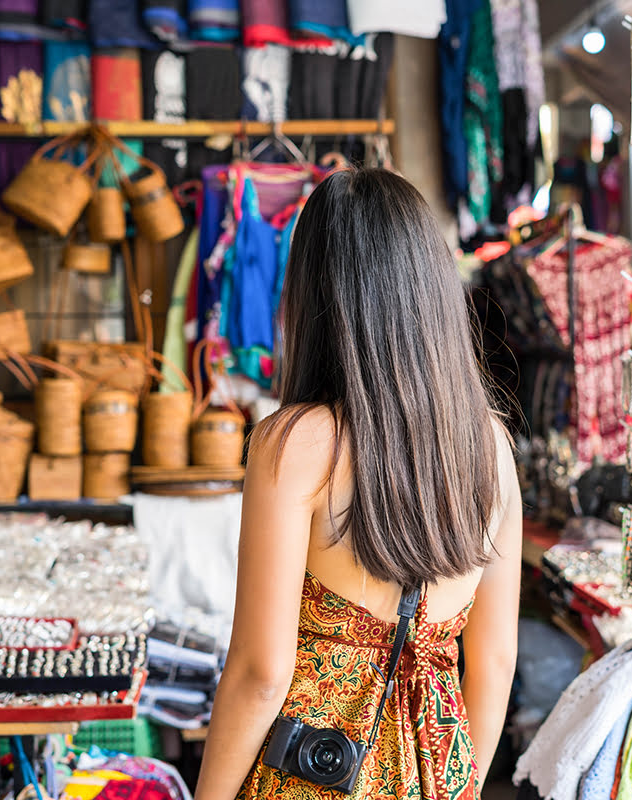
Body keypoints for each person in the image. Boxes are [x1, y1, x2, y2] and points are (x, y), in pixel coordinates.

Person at [193, 168, 522, 800]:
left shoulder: (294, 444)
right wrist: (458, 783)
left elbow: (262, 673)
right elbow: (496, 662)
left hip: (314, 776)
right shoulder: (494, 448)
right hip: (440, 770)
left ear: (316, 293)